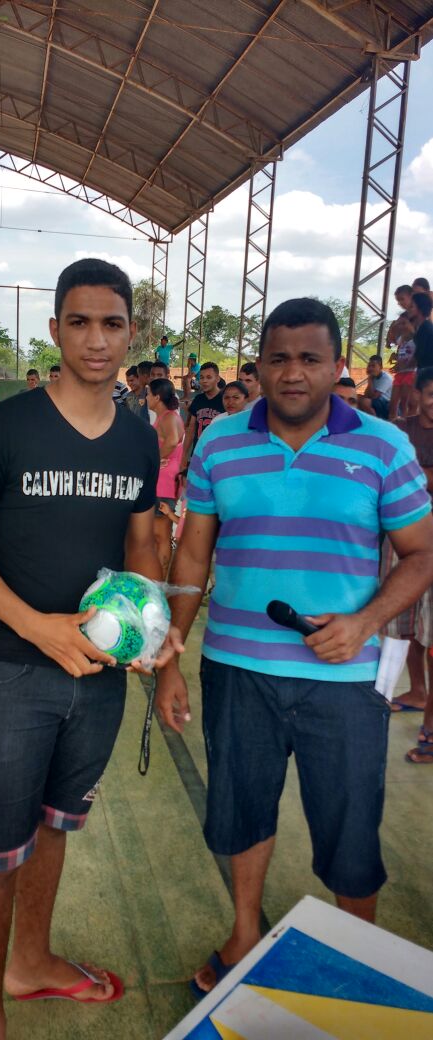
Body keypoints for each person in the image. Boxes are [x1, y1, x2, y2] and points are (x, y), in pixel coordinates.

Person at [155, 296, 433, 999]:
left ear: (338, 366)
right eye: (277, 358)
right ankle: (244, 931)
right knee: (241, 809)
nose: (292, 373)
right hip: (236, 669)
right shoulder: (219, 441)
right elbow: (192, 553)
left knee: (348, 822)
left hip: (344, 680)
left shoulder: (381, 445)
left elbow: (420, 553)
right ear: (257, 366)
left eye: (310, 358)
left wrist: (364, 621)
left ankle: (355, 953)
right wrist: (173, 649)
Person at [0, 257, 182, 1040]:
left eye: (112, 323)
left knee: (52, 827)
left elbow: (142, 541)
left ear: (131, 333)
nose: (96, 339)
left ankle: (31, 963)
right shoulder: (3, 427)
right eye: (78, 322)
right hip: (13, 675)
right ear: (54, 330)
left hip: (99, 681)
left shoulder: (139, 441)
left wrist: (152, 627)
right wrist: (35, 624)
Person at [381, 368, 433, 739]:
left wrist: (415, 476)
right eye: (431, 394)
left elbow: (406, 478)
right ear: (418, 393)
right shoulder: (402, 431)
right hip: (406, 537)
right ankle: (416, 691)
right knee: (406, 623)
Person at [147, 378, 185, 577]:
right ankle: (158, 577)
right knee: (157, 534)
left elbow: (171, 442)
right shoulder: (164, 417)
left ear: (157, 396)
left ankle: (160, 580)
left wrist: (155, 460)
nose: (146, 398)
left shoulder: (169, 417)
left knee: (161, 534)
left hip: (164, 482)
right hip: (162, 481)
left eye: (148, 394)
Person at [179, 362, 225, 475]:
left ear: (217, 378)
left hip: (219, 456)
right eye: (202, 377)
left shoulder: (225, 399)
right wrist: (184, 455)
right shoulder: (198, 399)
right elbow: (191, 430)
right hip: (198, 453)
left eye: (209, 377)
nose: (204, 381)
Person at [388, 312, 416, 419]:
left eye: (404, 323)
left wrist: (404, 364)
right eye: (400, 324)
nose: (401, 326)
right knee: (393, 404)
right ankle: (393, 425)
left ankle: (407, 428)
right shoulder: (401, 340)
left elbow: (417, 357)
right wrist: (395, 358)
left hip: (410, 372)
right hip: (401, 373)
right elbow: (401, 351)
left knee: (405, 403)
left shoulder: (416, 339)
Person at [410, 292, 433, 373]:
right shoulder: (424, 327)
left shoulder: (425, 329)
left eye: (412, 306)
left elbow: (420, 355)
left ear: (420, 309)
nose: (409, 309)